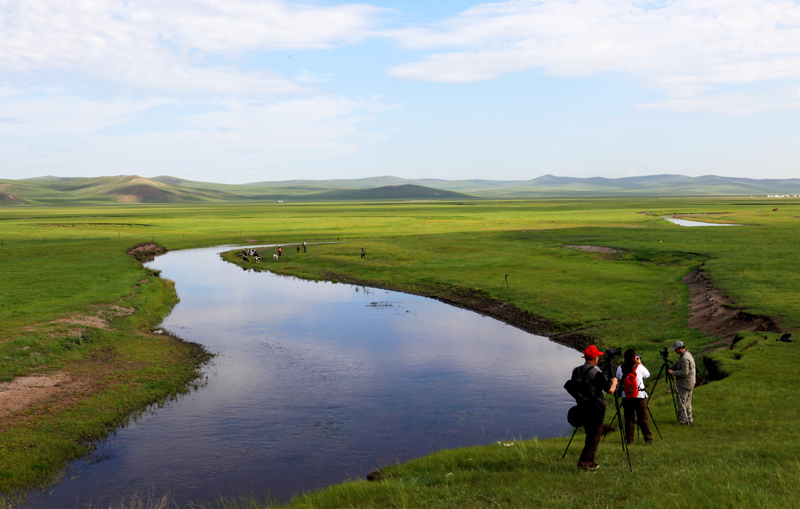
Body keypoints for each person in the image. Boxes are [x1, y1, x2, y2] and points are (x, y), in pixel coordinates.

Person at [571, 345, 618, 471]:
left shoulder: (576, 371)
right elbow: (610, 391)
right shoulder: (596, 374)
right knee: (595, 436)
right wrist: (614, 383)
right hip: (595, 409)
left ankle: (592, 461)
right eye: (598, 356)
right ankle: (583, 463)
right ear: (595, 358)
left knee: (590, 434)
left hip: (582, 407)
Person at [616, 349, 653, 444]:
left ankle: (630, 439)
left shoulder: (620, 368)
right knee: (643, 418)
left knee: (629, 418)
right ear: (634, 357)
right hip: (639, 395)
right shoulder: (639, 367)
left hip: (626, 395)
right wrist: (639, 363)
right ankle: (648, 439)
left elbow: (618, 377)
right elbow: (647, 375)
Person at [667, 340, 696, 425]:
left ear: (680, 348)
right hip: (690, 382)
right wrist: (672, 367)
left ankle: (683, 420)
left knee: (681, 401)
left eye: (676, 349)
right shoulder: (686, 354)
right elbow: (678, 363)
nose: (675, 351)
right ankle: (689, 418)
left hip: (684, 383)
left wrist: (673, 372)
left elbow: (684, 372)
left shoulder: (684, 358)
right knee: (687, 402)